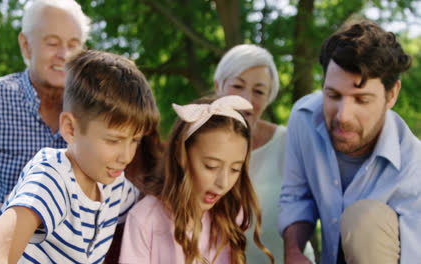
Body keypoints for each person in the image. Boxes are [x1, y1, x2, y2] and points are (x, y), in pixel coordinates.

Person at [0, 49, 161, 263]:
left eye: (134, 140)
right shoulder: (53, 178)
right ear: (70, 129)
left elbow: (155, 203)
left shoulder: (114, 186)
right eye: (113, 141)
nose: (126, 156)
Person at [0, 0, 90, 261]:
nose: (63, 54)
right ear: (25, 44)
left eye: (73, 44)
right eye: (52, 42)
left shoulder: (92, 114)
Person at [279, 20, 419, 264]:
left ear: (392, 94)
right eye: (333, 95)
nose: (343, 116)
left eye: (362, 100)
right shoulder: (303, 118)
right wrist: (293, 251)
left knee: (364, 217)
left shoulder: (414, 166)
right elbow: (296, 196)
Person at [119, 95, 274, 264]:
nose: (223, 183)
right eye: (211, 166)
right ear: (181, 154)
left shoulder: (230, 213)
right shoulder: (145, 218)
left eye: (235, 169)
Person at [215, 44, 315, 263]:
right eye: (237, 85)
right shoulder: (194, 145)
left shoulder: (290, 143)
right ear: (218, 87)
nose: (246, 99)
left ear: (269, 97)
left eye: (259, 91)